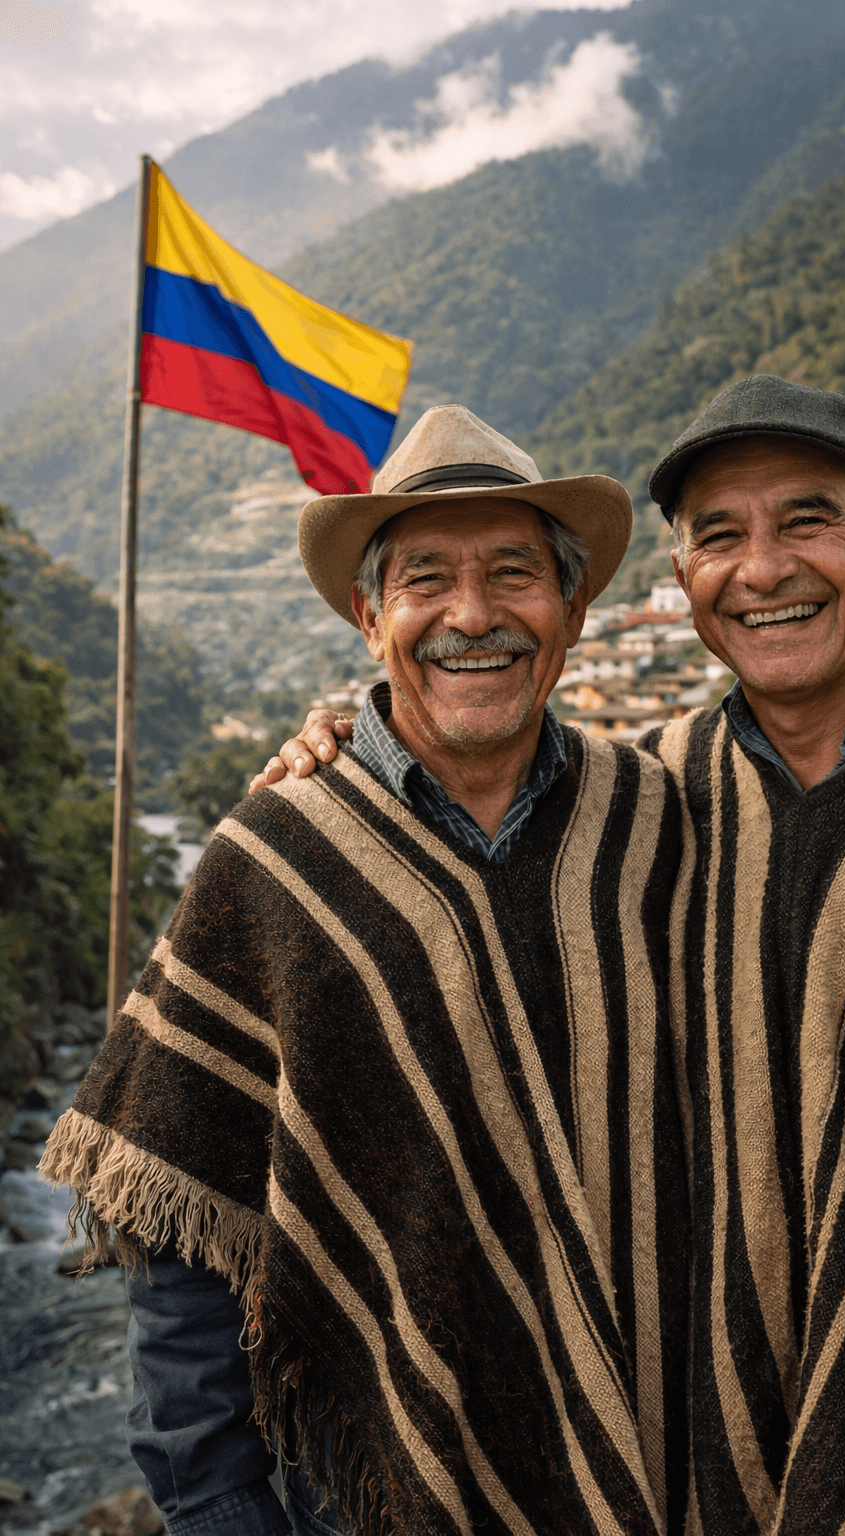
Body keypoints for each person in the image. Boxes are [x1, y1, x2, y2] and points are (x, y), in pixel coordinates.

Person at [264, 377, 845, 1535]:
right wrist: (343, 740)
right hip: (707, 1437)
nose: (762, 569)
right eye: (720, 536)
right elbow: (472, 764)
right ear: (685, 587)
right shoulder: (653, 795)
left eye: (808, 518)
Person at [42, 407, 689, 1536]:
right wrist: (218, 1506)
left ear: (574, 611)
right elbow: (183, 1238)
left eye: (513, 575)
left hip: (651, 1468)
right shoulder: (274, 859)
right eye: (425, 578)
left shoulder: (653, 826)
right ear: (368, 615)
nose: (472, 615)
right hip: (359, 1494)